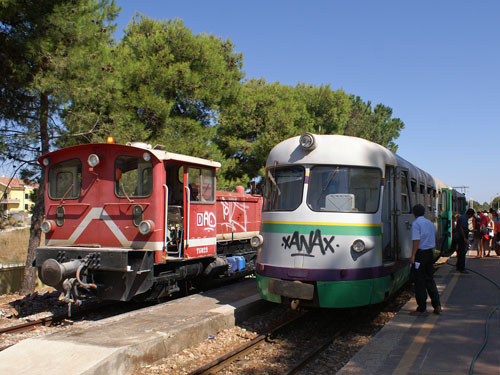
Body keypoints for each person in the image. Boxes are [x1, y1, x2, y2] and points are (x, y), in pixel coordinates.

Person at [410, 204, 442, 316]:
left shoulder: (416, 224)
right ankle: (437, 305)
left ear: (414, 213)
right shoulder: (429, 223)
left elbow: (416, 241)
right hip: (430, 253)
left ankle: (421, 307)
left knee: (419, 281)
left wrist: (413, 255)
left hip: (421, 254)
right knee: (430, 279)